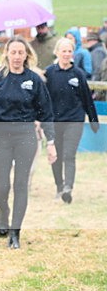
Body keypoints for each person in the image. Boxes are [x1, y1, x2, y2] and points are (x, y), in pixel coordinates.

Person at [0, 36, 56, 249]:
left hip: (25, 136)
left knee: (21, 185)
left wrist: (51, 141)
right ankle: (4, 211)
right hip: (0, 134)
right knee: (0, 187)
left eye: (21, 53)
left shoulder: (34, 80)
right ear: (7, 54)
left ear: (26, 55)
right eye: (13, 52)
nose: (17, 57)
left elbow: (46, 111)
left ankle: (15, 232)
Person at [44, 38, 100, 204]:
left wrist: (93, 120)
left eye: (69, 51)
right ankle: (59, 186)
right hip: (55, 121)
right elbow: (42, 98)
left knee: (69, 155)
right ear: (57, 52)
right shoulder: (50, 73)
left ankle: (68, 188)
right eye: (64, 51)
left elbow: (87, 99)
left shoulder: (78, 74)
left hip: (74, 120)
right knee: (56, 156)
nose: (67, 54)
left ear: (73, 54)